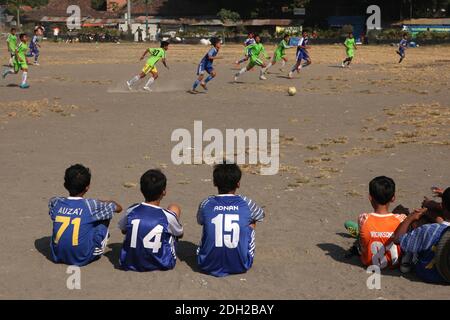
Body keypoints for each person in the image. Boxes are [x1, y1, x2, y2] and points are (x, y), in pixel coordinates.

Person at [197, 163, 265, 277]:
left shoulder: (206, 203)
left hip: (206, 264)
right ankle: (240, 254)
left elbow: (199, 221)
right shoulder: (246, 202)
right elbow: (261, 215)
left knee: (207, 222)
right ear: (238, 184)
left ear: (214, 183)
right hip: (240, 265)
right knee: (251, 221)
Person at [48, 164, 123, 266]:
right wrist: (106, 202)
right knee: (104, 217)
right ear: (87, 187)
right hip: (82, 257)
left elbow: (52, 207)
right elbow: (118, 208)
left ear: (65, 185)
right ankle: (96, 248)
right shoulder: (91, 205)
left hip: (57, 254)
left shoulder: (56, 202)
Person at [118, 169, 183, 271]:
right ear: (164, 192)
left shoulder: (132, 210)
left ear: (141, 190)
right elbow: (180, 233)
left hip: (129, 262)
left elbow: (123, 229)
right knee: (174, 208)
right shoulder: (166, 215)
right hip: (162, 263)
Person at [392, 187, 450, 283]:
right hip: (447, 274)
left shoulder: (429, 230)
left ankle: (407, 258)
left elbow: (397, 239)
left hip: (429, 273)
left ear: (442, 206)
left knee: (418, 222)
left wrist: (410, 218)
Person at [355, 176, 406, 269]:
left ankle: (358, 235)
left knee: (362, 235)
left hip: (369, 263)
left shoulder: (363, 218)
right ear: (393, 198)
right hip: (394, 264)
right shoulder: (401, 219)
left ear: (370, 197)